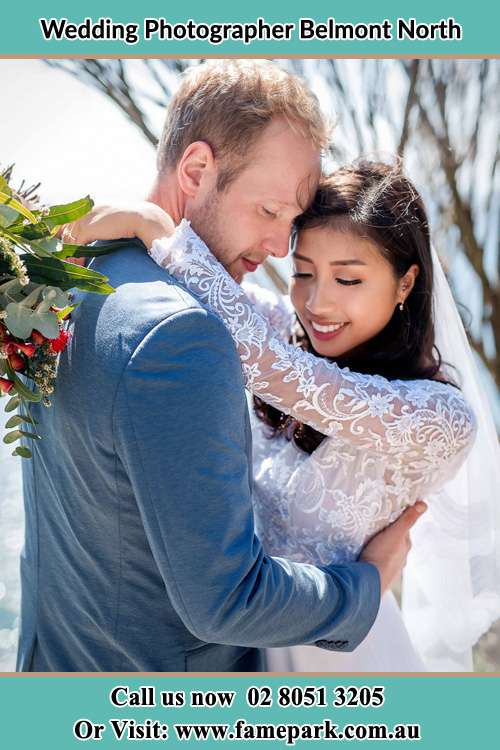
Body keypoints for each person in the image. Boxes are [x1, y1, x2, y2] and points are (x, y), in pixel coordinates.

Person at [16, 61, 422, 673]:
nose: (284, 248)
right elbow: (228, 600)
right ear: (198, 170)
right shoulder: (183, 335)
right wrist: (364, 585)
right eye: (269, 211)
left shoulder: (71, 279)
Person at [75, 160, 497, 672]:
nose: (317, 303)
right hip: (248, 636)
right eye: (302, 273)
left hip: (342, 656)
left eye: (347, 278)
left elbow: (274, 369)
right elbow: (218, 301)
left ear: (406, 282)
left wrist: (161, 231)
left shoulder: (440, 415)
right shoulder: (285, 329)